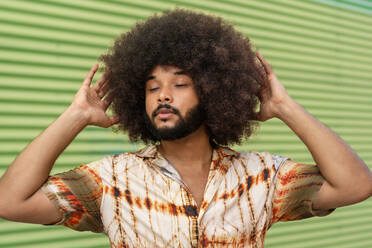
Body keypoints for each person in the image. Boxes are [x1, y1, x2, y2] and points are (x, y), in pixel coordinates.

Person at [0, 8, 371, 248]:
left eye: (179, 84)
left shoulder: (261, 177)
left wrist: (286, 108)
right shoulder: (110, 180)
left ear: (213, 90)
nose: (163, 95)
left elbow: (356, 185)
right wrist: (75, 118)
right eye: (151, 87)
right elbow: (10, 202)